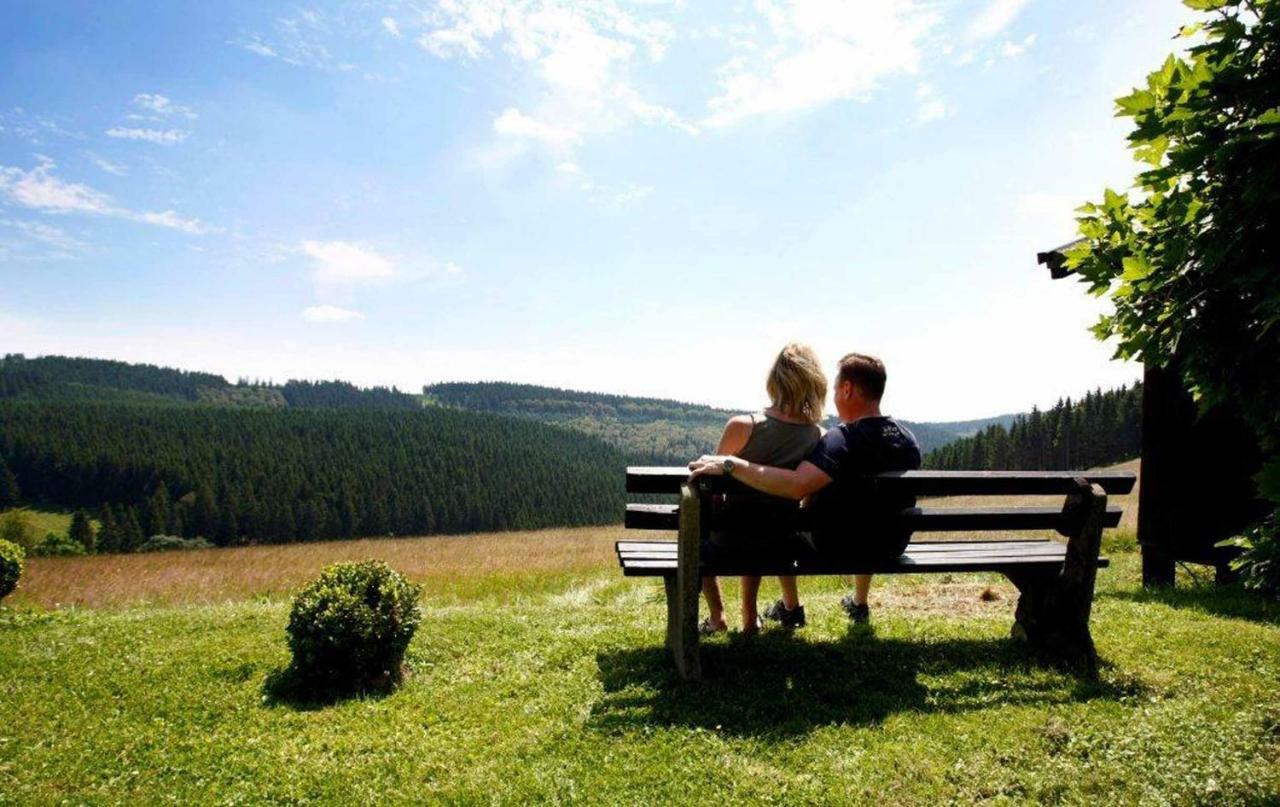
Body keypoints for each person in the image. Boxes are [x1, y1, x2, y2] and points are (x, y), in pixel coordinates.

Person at [688, 352, 921, 624]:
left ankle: (778, 608)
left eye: (836, 389)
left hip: (838, 546)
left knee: (782, 524)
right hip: (891, 546)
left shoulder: (839, 440)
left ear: (847, 389)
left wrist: (732, 465)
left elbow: (797, 485)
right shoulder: (908, 438)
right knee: (859, 513)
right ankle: (849, 603)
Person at [697, 343, 826, 636]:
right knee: (762, 521)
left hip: (729, 539)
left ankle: (718, 617)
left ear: (775, 379)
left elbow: (711, 492)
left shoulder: (742, 426)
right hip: (782, 539)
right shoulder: (819, 437)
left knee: (709, 525)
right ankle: (749, 617)